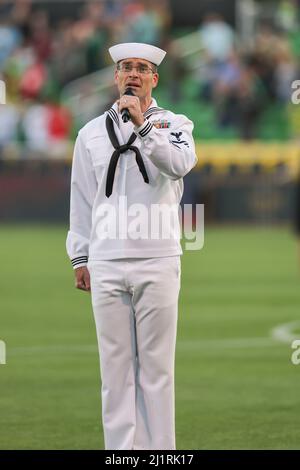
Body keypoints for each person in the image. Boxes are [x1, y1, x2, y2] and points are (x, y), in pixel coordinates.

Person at [66, 42, 197, 450]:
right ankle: (122, 454)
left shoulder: (174, 124)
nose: (133, 74)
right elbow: (82, 198)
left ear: (154, 78)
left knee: (157, 369)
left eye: (142, 68)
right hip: (105, 261)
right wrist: (80, 254)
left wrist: (142, 127)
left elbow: (179, 164)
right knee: (115, 369)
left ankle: (159, 454)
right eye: (126, 68)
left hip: (157, 257)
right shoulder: (89, 133)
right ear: (116, 77)